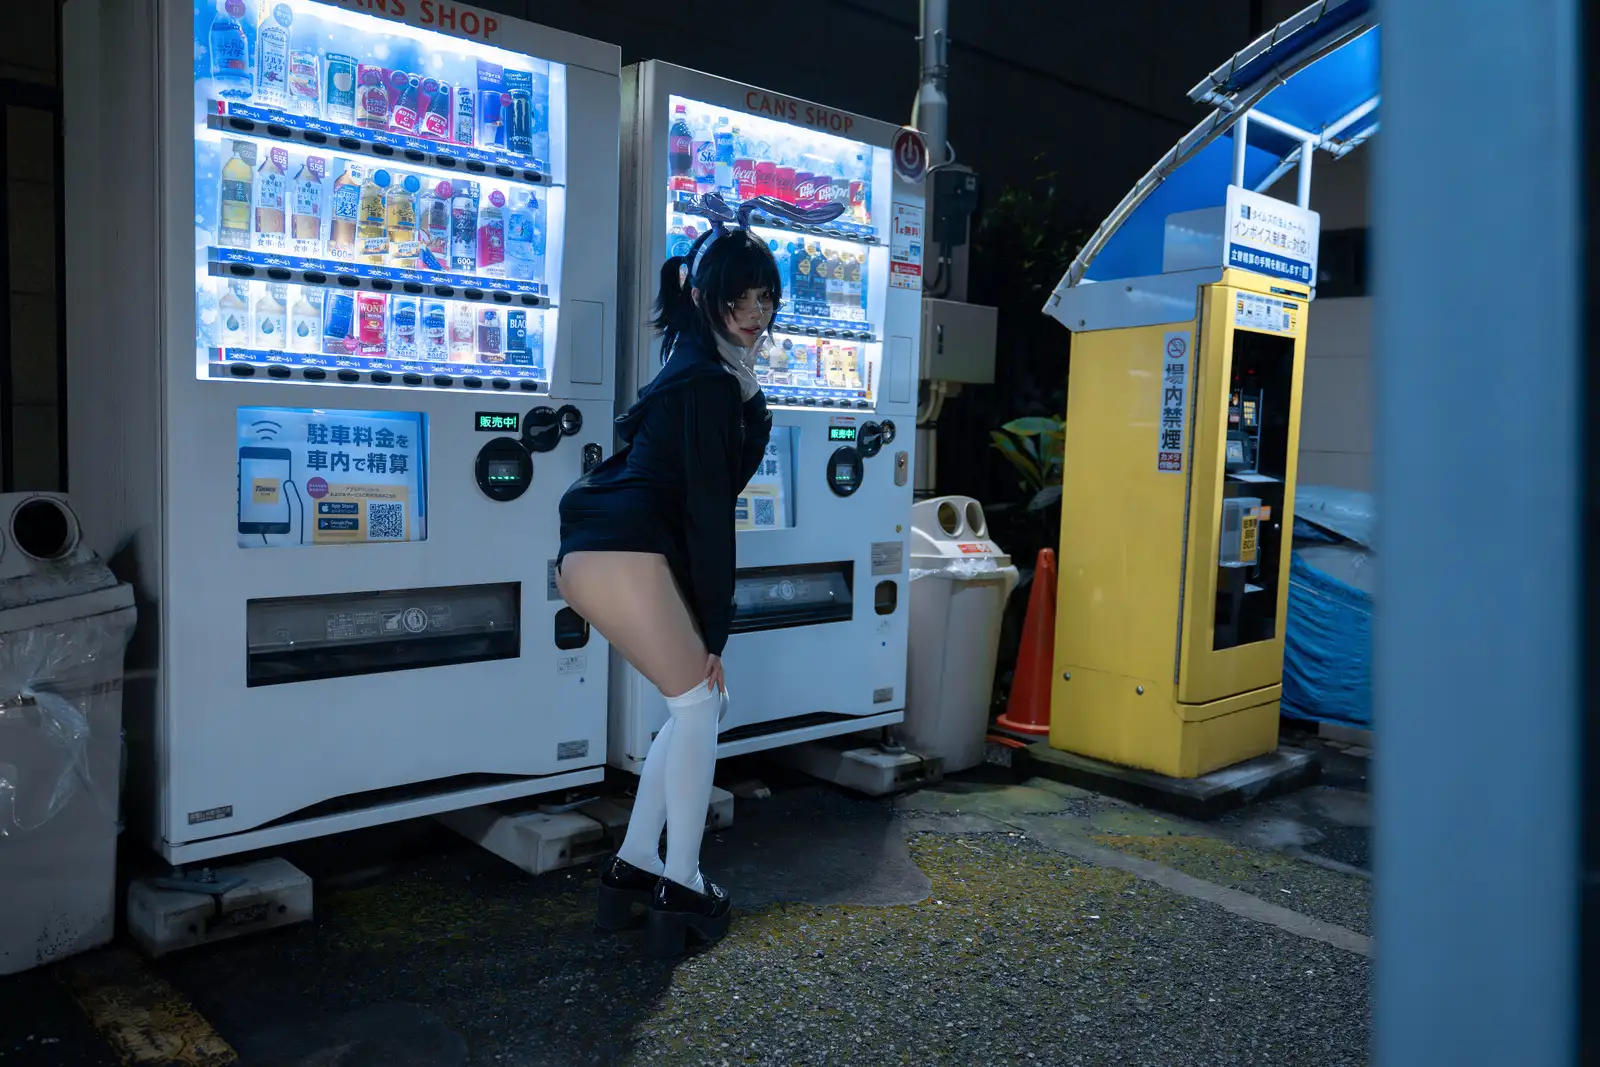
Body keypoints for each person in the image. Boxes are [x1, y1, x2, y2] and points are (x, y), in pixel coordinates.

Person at [554, 212, 781, 957]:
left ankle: (633, 865)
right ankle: (681, 881)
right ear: (707, 298)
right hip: (625, 552)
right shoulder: (707, 382)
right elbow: (711, 514)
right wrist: (715, 629)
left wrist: (751, 396)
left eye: (765, 298)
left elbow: (709, 484)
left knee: (692, 710)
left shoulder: (696, 368)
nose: (755, 313)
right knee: (700, 704)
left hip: (598, 553)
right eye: (740, 297)